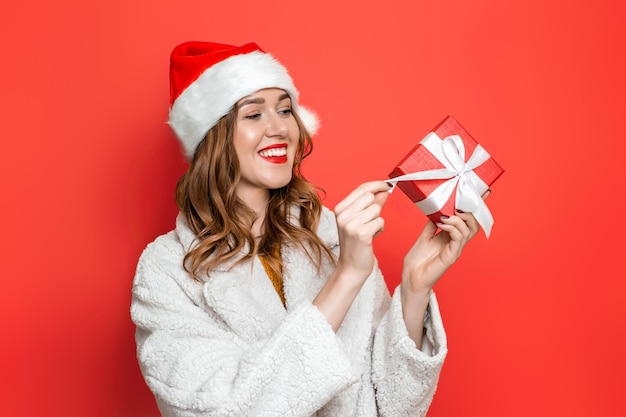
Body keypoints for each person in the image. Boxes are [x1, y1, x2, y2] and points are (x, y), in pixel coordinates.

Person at [131, 41, 486, 417]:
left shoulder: (331, 234)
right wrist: (346, 277)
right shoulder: (166, 271)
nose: (280, 127)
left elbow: (390, 403)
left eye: (285, 110)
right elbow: (228, 410)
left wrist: (415, 288)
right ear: (212, 137)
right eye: (253, 115)